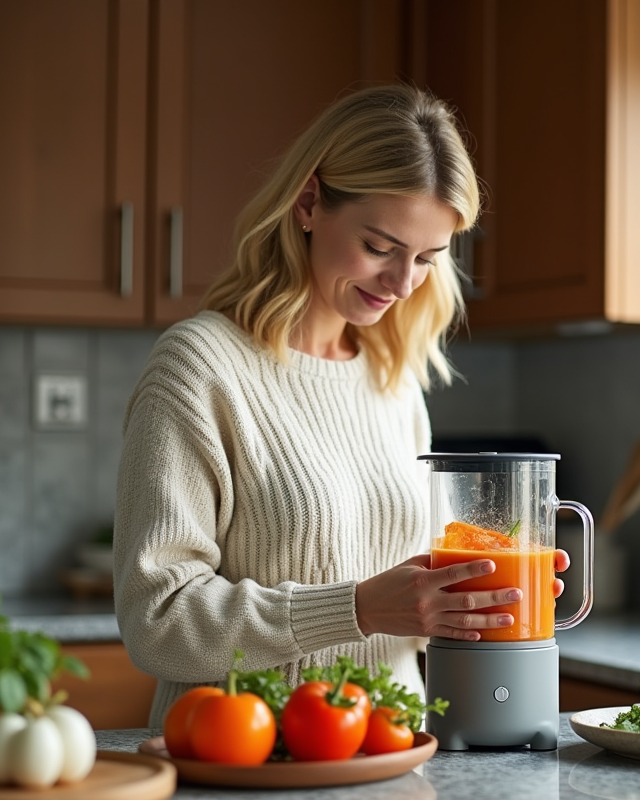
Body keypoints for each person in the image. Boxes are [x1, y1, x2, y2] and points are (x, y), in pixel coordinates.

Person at [113, 83, 568, 728]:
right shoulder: (200, 368)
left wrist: (478, 597)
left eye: (427, 259)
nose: (403, 283)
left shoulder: (392, 376)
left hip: (395, 754)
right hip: (247, 759)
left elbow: (409, 610)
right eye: (380, 248)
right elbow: (157, 621)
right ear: (308, 203)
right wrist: (356, 609)